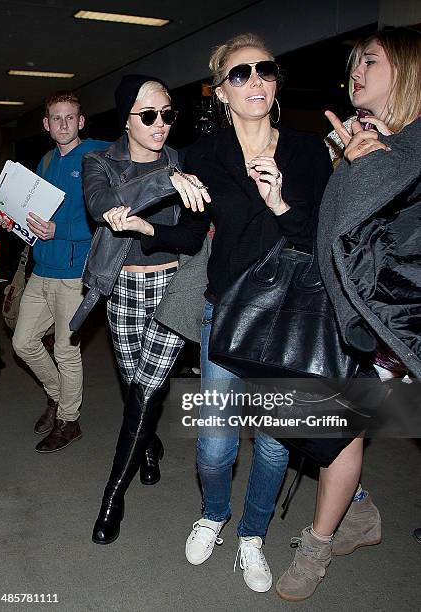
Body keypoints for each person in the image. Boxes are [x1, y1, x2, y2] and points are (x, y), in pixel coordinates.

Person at [108, 34, 334, 593]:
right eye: (240, 74)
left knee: (277, 442)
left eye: (265, 70)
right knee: (215, 444)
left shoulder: (305, 152)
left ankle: (251, 536)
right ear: (222, 92)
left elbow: (320, 241)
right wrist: (145, 228)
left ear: (276, 83)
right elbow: (190, 233)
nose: (255, 80)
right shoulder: (205, 157)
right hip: (224, 313)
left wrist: (280, 201)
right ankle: (214, 514)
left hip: (286, 319)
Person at [277, 26, 421, 601]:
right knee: (329, 424)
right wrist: (355, 163)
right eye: (354, 62)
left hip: (404, 320)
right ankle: (337, 527)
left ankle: (339, 526)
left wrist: (374, 162)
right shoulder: (373, 142)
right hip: (370, 322)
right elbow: (335, 234)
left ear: (407, 71)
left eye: (370, 61)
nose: (356, 71)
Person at [78, 75, 210, 546]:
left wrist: (178, 175)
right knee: (138, 384)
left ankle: (113, 496)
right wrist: (166, 179)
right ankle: (147, 445)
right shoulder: (100, 162)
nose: (161, 124)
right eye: (149, 115)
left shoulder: (185, 161)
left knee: (149, 385)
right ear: (126, 120)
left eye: (168, 114)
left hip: (176, 287)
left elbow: (194, 233)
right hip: (124, 289)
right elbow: (102, 206)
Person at [6, 91, 108, 453]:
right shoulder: (46, 160)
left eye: (70, 118)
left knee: (66, 350)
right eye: (56, 119)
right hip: (42, 267)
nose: (63, 124)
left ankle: (69, 420)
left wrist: (60, 231)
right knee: (23, 342)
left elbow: (106, 219)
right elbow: (34, 209)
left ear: (81, 122)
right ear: (47, 125)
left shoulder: (99, 155)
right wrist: (15, 220)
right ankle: (57, 395)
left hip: (73, 273)